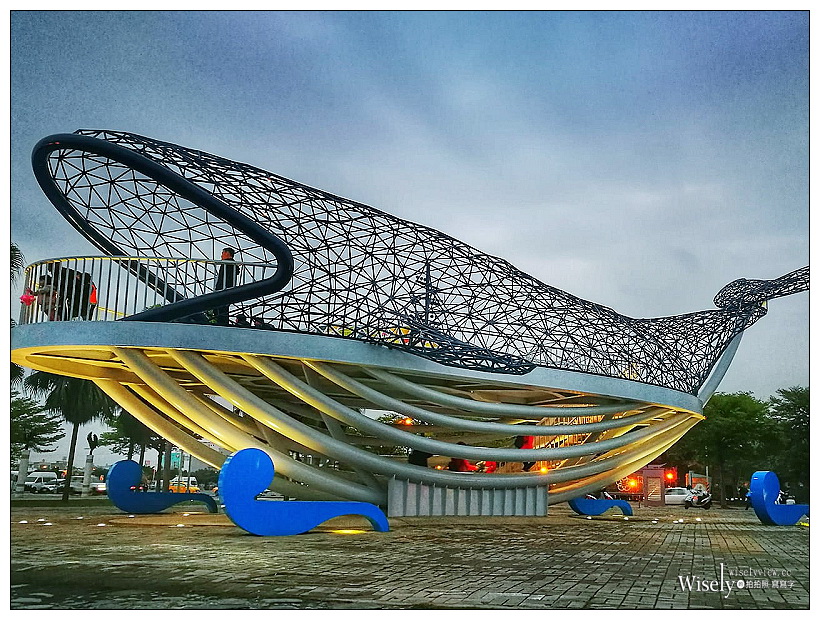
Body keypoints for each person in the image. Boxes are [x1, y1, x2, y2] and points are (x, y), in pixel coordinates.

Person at [214, 247, 239, 326]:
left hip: (224, 290)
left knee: (221, 311)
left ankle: (222, 325)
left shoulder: (228, 264)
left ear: (227, 253)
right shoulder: (231, 264)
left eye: (222, 253)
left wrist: (218, 289)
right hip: (226, 291)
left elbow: (225, 279)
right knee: (222, 310)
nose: (221, 256)